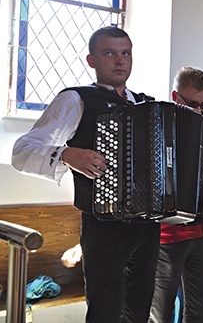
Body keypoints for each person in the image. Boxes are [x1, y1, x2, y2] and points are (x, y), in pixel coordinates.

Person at [12, 26, 160, 323]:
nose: (120, 61)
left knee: (139, 311)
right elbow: (22, 152)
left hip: (147, 224)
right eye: (109, 53)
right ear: (92, 60)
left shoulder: (147, 105)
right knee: (104, 309)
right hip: (104, 224)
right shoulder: (76, 99)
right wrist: (66, 154)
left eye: (125, 53)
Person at [149, 67, 203, 323]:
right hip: (168, 235)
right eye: (192, 103)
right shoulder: (155, 126)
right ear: (176, 96)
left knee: (200, 308)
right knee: (159, 310)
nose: (199, 110)